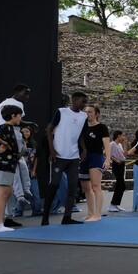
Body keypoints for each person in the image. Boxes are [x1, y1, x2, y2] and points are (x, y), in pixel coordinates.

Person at [41, 91, 88, 226]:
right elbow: (49, 129)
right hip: (59, 154)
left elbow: (80, 135)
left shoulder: (83, 116)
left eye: (86, 102)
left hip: (73, 156)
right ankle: (45, 217)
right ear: (74, 100)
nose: (84, 105)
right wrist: (52, 149)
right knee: (54, 184)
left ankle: (67, 217)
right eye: (82, 101)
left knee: (73, 187)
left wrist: (84, 149)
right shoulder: (62, 112)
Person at [0, 105, 23, 233]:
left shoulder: (11, 129)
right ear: (13, 115)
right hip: (3, 163)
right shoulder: (5, 127)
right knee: (3, 194)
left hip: (9, 164)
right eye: (19, 115)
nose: (20, 118)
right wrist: (5, 143)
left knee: (6, 193)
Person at [79, 105, 111, 221]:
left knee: (96, 186)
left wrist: (107, 159)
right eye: (86, 111)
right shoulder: (82, 127)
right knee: (85, 187)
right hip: (83, 158)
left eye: (90, 112)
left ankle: (97, 214)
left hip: (96, 157)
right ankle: (90, 212)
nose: (87, 113)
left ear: (96, 114)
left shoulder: (101, 127)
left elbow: (107, 144)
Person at [14, 126, 43, 217]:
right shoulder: (18, 143)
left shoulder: (34, 144)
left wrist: (34, 170)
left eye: (28, 131)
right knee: (22, 192)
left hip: (31, 171)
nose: (26, 133)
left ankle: (37, 209)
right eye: (24, 131)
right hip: (20, 171)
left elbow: (36, 158)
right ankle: (18, 211)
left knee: (34, 191)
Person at [108, 130, 128, 212]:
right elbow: (106, 152)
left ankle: (116, 204)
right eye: (123, 135)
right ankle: (112, 204)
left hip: (122, 164)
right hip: (117, 165)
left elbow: (125, 155)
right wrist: (115, 160)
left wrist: (125, 145)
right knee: (121, 185)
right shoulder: (112, 144)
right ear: (118, 136)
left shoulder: (119, 144)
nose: (124, 137)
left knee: (120, 185)